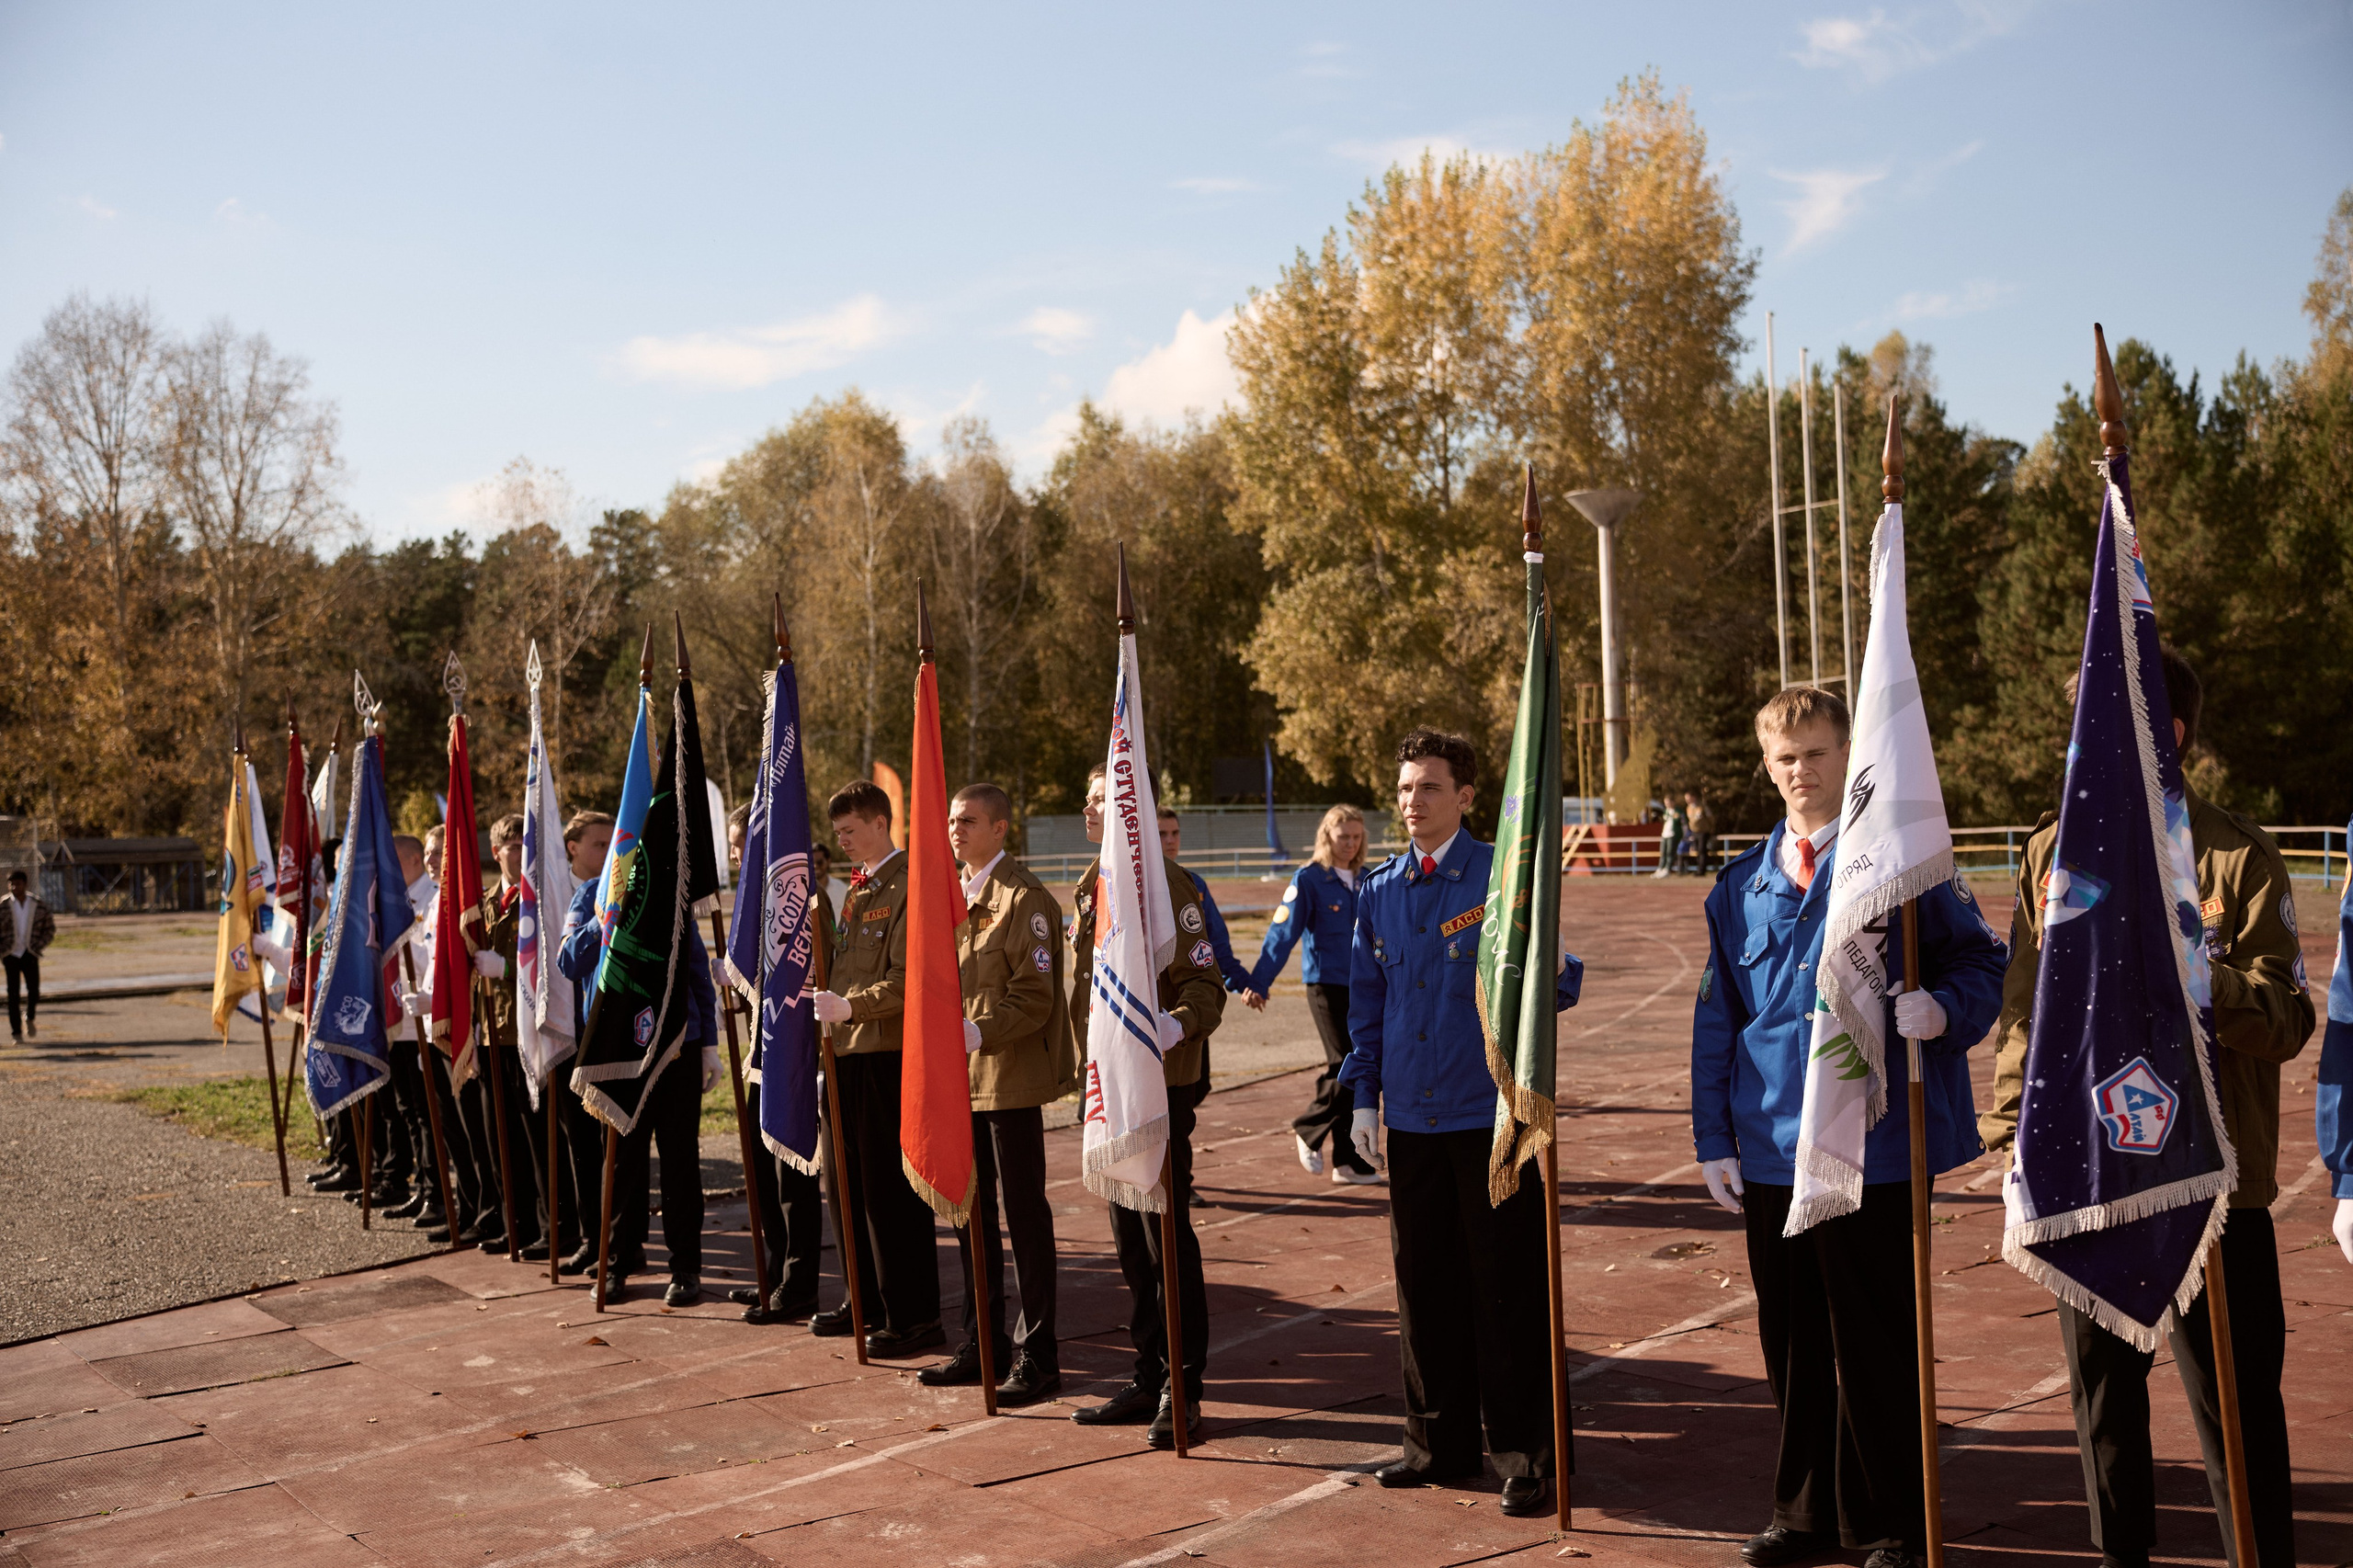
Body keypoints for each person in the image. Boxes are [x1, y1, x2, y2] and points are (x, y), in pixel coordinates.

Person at [1981, 650, 2313, 1568]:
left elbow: (2287, 1019)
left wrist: (2199, 977)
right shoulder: (2052, 852)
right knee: (2102, 1403)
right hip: (2090, 1174)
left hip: (2212, 1181)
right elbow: (2024, 1006)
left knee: (2237, 1407)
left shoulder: (2237, 857)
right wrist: (2013, 1132)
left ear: (2167, 732)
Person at [1692, 687, 2006, 1568]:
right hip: (1771, 1147)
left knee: (1873, 1341)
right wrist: (1711, 1135)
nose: (1803, 771)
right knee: (1790, 1342)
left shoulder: (1904, 869)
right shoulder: (1737, 887)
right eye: (1786, 757)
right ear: (1767, 765)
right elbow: (1718, 1016)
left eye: (1819, 752)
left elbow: (1983, 957)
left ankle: (1886, 1523)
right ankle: (1801, 1515)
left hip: (1875, 1146)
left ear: (1850, 756)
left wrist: (1944, 1011)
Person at [1341, 729, 1581, 1519]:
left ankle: (1525, 1457)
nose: (1412, 802)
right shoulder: (1378, 891)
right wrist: (1364, 1098)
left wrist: (1550, 970)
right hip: (1410, 1118)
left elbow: (1556, 980)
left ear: (1467, 797)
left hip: (1491, 1122)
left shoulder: (1503, 877)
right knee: (1424, 1287)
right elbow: (1367, 1005)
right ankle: (1434, 1444)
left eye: (1430, 788)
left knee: (1505, 1291)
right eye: (1405, 789)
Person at [1070, 764, 1226, 1449]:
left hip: (1161, 1087)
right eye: (1097, 801)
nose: (1105, 810)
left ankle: (1182, 1390)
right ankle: (1147, 1372)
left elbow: (1206, 986)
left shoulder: (1169, 883)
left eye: (1117, 799)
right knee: (1130, 1246)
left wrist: (1172, 1024)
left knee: (1165, 1244)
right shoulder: (1089, 887)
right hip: (1108, 1091)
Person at [919, 782, 1072, 1404]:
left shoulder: (1024, 900)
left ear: (1001, 829)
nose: (956, 830)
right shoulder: (947, 896)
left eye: (969, 821)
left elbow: (1034, 998)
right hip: (960, 1083)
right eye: (953, 820)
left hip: (1007, 1081)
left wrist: (976, 1031)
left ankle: (1039, 1356)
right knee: (968, 1214)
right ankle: (982, 1341)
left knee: (1024, 1218)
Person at [807, 779, 943, 1356]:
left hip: (885, 1054)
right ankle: (862, 1297)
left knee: (889, 1193)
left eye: (850, 831)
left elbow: (909, 978)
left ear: (881, 823)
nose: (841, 843)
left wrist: (851, 1006)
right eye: (836, 833)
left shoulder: (908, 884)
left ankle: (912, 1315)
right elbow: (843, 967)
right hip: (845, 1053)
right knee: (844, 1188)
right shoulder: (856, 889)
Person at [722, 804, 824, 1325]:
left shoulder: (800, 899)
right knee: (764, 1175)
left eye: (741, 845)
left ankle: (800, 1282)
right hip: (760, 1052)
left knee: (792, 1180)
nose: (736, 854)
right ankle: (774, 1272)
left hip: (793, 1055)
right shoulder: (750, 908)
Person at [1245, 803, 1378, 1184]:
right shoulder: (1309, 880)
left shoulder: (1370, 879)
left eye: (1356, 837)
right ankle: (1308, 1127)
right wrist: (1259, 981)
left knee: (1362, 1065)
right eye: (1343, 837)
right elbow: (1281, 934)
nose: (1350, 844)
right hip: (1325, 985)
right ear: (1327, 837)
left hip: (1365, 988)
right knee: (1344, 1063)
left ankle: (1348, 1162)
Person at [468, 813, 547, 1257]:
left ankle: (547, 1230)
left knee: (535, 1140)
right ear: (497, 852)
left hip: (527, 1035)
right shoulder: (483, 905)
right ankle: (512, 1224)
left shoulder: (537, 901)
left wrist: (508, 969)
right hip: (491, 1037)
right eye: (513, 846)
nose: (521, 852)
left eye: (526, 843)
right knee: (501, 1142)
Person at [5, 869, 55, 1042]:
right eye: (11, 884)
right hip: (10, 954)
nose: (14, 887)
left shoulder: (37, 904)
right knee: (13, 994)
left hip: (30, 952)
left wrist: (38, 945)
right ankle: (16, 1033)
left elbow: (49, 928)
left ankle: (30, 1016)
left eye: (17, 883)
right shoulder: (3, 905)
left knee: (34, 990)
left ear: (25, 884)